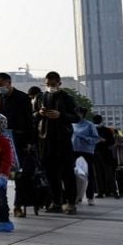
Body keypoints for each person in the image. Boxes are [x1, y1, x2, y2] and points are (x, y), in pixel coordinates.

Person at [34, 71, 79, 215]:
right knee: (50, 174)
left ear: (59, 83)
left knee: (67, 174)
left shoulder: (67, 98)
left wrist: (61, 115)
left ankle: (71, 203)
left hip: (63, 141)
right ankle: (56, 202)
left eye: (52, 84)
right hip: (45, 141)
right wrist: (39, 114)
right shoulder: (40, 97)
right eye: (47, 84)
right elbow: (32, 116)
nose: (50, 87)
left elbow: (76, 117)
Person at [0, 72, 34, 217]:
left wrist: (30, 141)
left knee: (18, 175)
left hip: (18, 139)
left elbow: (30, 121)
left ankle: (18, 205)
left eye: (1, 85)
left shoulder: (22, 98)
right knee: (0, 173)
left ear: (9, 83)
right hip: (1, 139)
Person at [71, 107, 100, 206]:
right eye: (76, 113)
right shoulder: (71, 124)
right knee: (71, 174)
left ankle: (90, 197)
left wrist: (86, 138)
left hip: (87, 151)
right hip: (73, 151)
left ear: (83, 114)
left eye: (79, 113)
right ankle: (75, 196)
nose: (77, 115)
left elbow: (96, 138)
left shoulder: (90, 125)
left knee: (90, 175)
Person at [93, 115, 117, 198]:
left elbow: (112, 142)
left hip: (105, 154)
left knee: (108, 173)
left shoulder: (106, 130)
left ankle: (112, 191)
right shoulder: (93, 130)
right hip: (96, 153)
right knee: (99, 174)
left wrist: (104, 140)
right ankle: (101, 191)